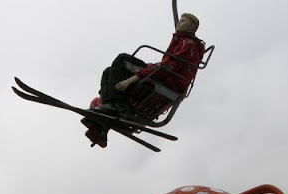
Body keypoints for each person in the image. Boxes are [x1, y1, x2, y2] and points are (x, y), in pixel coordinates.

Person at [83, 13, 205, 148]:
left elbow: (168, 67)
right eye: (179, 20)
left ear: (192, 27)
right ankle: (103, 122)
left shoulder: (188, 44)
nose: (179, 23)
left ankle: (118, 107)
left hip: (168, 80)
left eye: (183, 21)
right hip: (166, 76)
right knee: (108, 72)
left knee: (122, 60)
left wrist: (133, 79)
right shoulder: (182, 41)